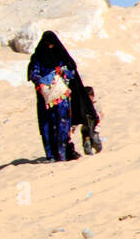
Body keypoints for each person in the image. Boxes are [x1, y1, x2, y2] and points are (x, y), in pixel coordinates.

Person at [27, 31, 95, 162]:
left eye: (51, 44)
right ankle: (51, 155)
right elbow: (33, 74)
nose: (50, 47)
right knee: (47, 125)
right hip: (44, 98)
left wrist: (62, 72)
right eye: (47, 44)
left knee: (62, 124)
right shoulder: (37, 57)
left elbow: (71, 71)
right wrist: (43, 82)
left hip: (62, 97)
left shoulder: (61, 56)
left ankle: (63, 153)